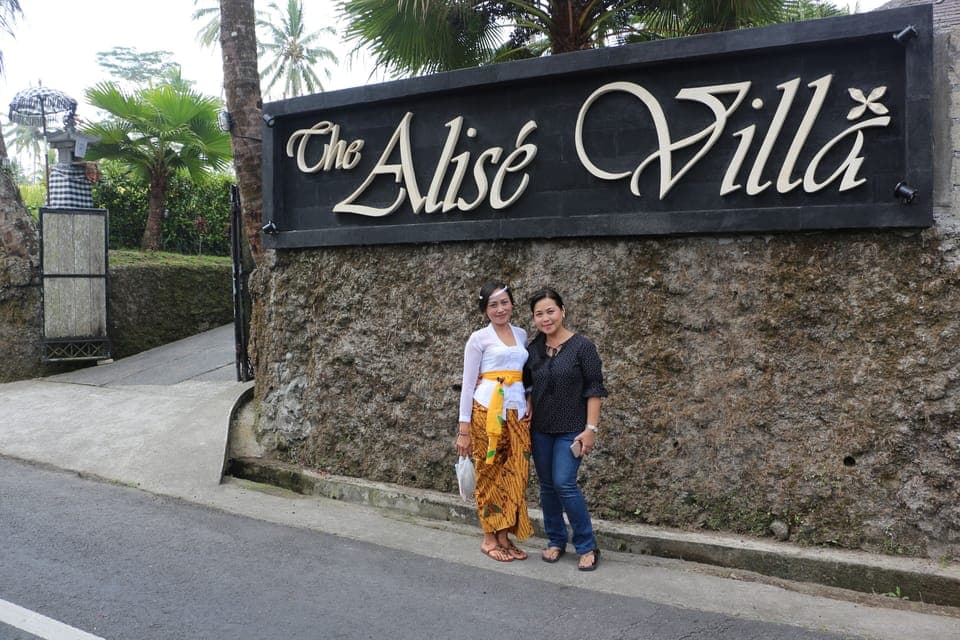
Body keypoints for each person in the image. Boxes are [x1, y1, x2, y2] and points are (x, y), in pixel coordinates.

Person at [523, 287, 608, 571]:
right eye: (539, 314)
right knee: (547, 487)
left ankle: (587, 545)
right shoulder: (533, 349)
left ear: (562, 311)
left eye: (550, 311)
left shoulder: (583, 347)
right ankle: (556, 540)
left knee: (564, 483)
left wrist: (591, 428)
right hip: (541, 429)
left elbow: (594, 389)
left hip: (571, 429)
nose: (545, 318)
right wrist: (528, 402)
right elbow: (527, 383)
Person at [455, 281, 534, 562]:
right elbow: (467, 384)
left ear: (512, 303)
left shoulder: (522, 334)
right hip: (486, 410)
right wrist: (463, 429)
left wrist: (528, 399)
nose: (500, 309)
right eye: (493, 304)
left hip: (517, 414)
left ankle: (505, 535)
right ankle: (489, 538)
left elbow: (526, 375)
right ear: (485, 309)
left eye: (504, 302)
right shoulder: (478, 339)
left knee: (516, 474)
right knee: (489, 473)